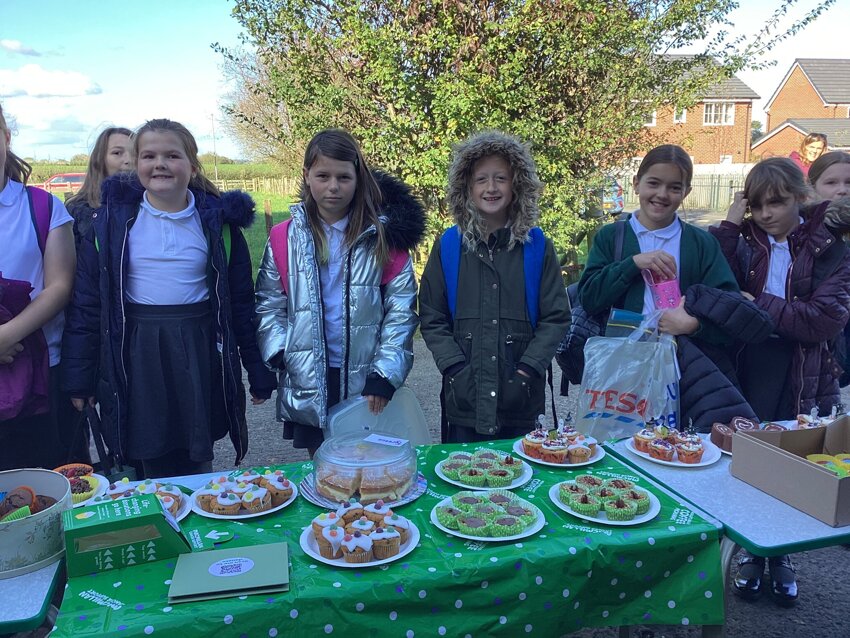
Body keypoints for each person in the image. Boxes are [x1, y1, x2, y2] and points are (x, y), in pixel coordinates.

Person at [62, 118, 276, 477]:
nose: (159, 163)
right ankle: (151, 514)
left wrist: (257, 369)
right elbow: (87, 305)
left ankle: (197, 510)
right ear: (136, 164)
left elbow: (239, 304)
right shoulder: (110, 225)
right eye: (149, 155)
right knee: (142, 449)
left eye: (172, 155)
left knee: (195, 450)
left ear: (192, 166)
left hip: (196, 346)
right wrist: (79, 377)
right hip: (137, 350)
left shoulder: (218, 226)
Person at [711, 157, 850, 606]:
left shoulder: (830, 249)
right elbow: (720, 291)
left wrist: (758, 304)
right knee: (746, 462)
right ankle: (751, 551)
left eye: (777, 202)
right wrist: (730, 226)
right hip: (748, 365)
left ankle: (782, 555)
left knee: (793, 466)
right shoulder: (745, 239)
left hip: (801, 372)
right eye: (757, 205)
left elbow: (821, 322)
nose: (766, 213)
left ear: (801, 196)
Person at [255, 129, 425, 458]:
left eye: (343, 177)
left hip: (365, 379)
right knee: (325, 469)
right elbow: (268, 304)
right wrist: (281, 353)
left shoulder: (384, 237)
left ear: (358, 178)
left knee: (370, 468)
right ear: (307, 176)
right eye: (323, 176)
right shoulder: (282, 237)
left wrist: (385, 374)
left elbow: (401, 312)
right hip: (308, 375)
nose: (333, 186)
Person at [577, 145, 762, 430]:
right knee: (620, 440)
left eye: (674, 187)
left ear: (686, 192)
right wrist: (632, 264)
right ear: (636, 183)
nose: (662, 194)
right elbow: (590, 297)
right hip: (623, 365)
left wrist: (692, 325)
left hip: (683, 368)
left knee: (674, 444)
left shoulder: (701, 244)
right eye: (653, 183)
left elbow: (727, 311)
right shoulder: (611, 237)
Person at [418, 131, 570, 443]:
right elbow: (432, 316)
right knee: (463, 479)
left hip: (522, 402)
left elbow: (556, 318)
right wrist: (455, 369)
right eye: (481, 179)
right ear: (467, 188)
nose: (491, 187)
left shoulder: (537, 247)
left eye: (500, 178)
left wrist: (527, 371)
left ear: (516, 185)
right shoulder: (448, 246)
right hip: (464, 401)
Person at [0, 103, 86, 470]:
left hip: (41, 376)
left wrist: (5, 336)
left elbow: (59, 286)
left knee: (53, 490)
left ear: (6, 138)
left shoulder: (42, 207)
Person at [66, 126, 133, 247]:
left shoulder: (150, 207)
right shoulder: (76, 210)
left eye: (135, 153)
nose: (129, 160)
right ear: (100, 160)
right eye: (117, 153)